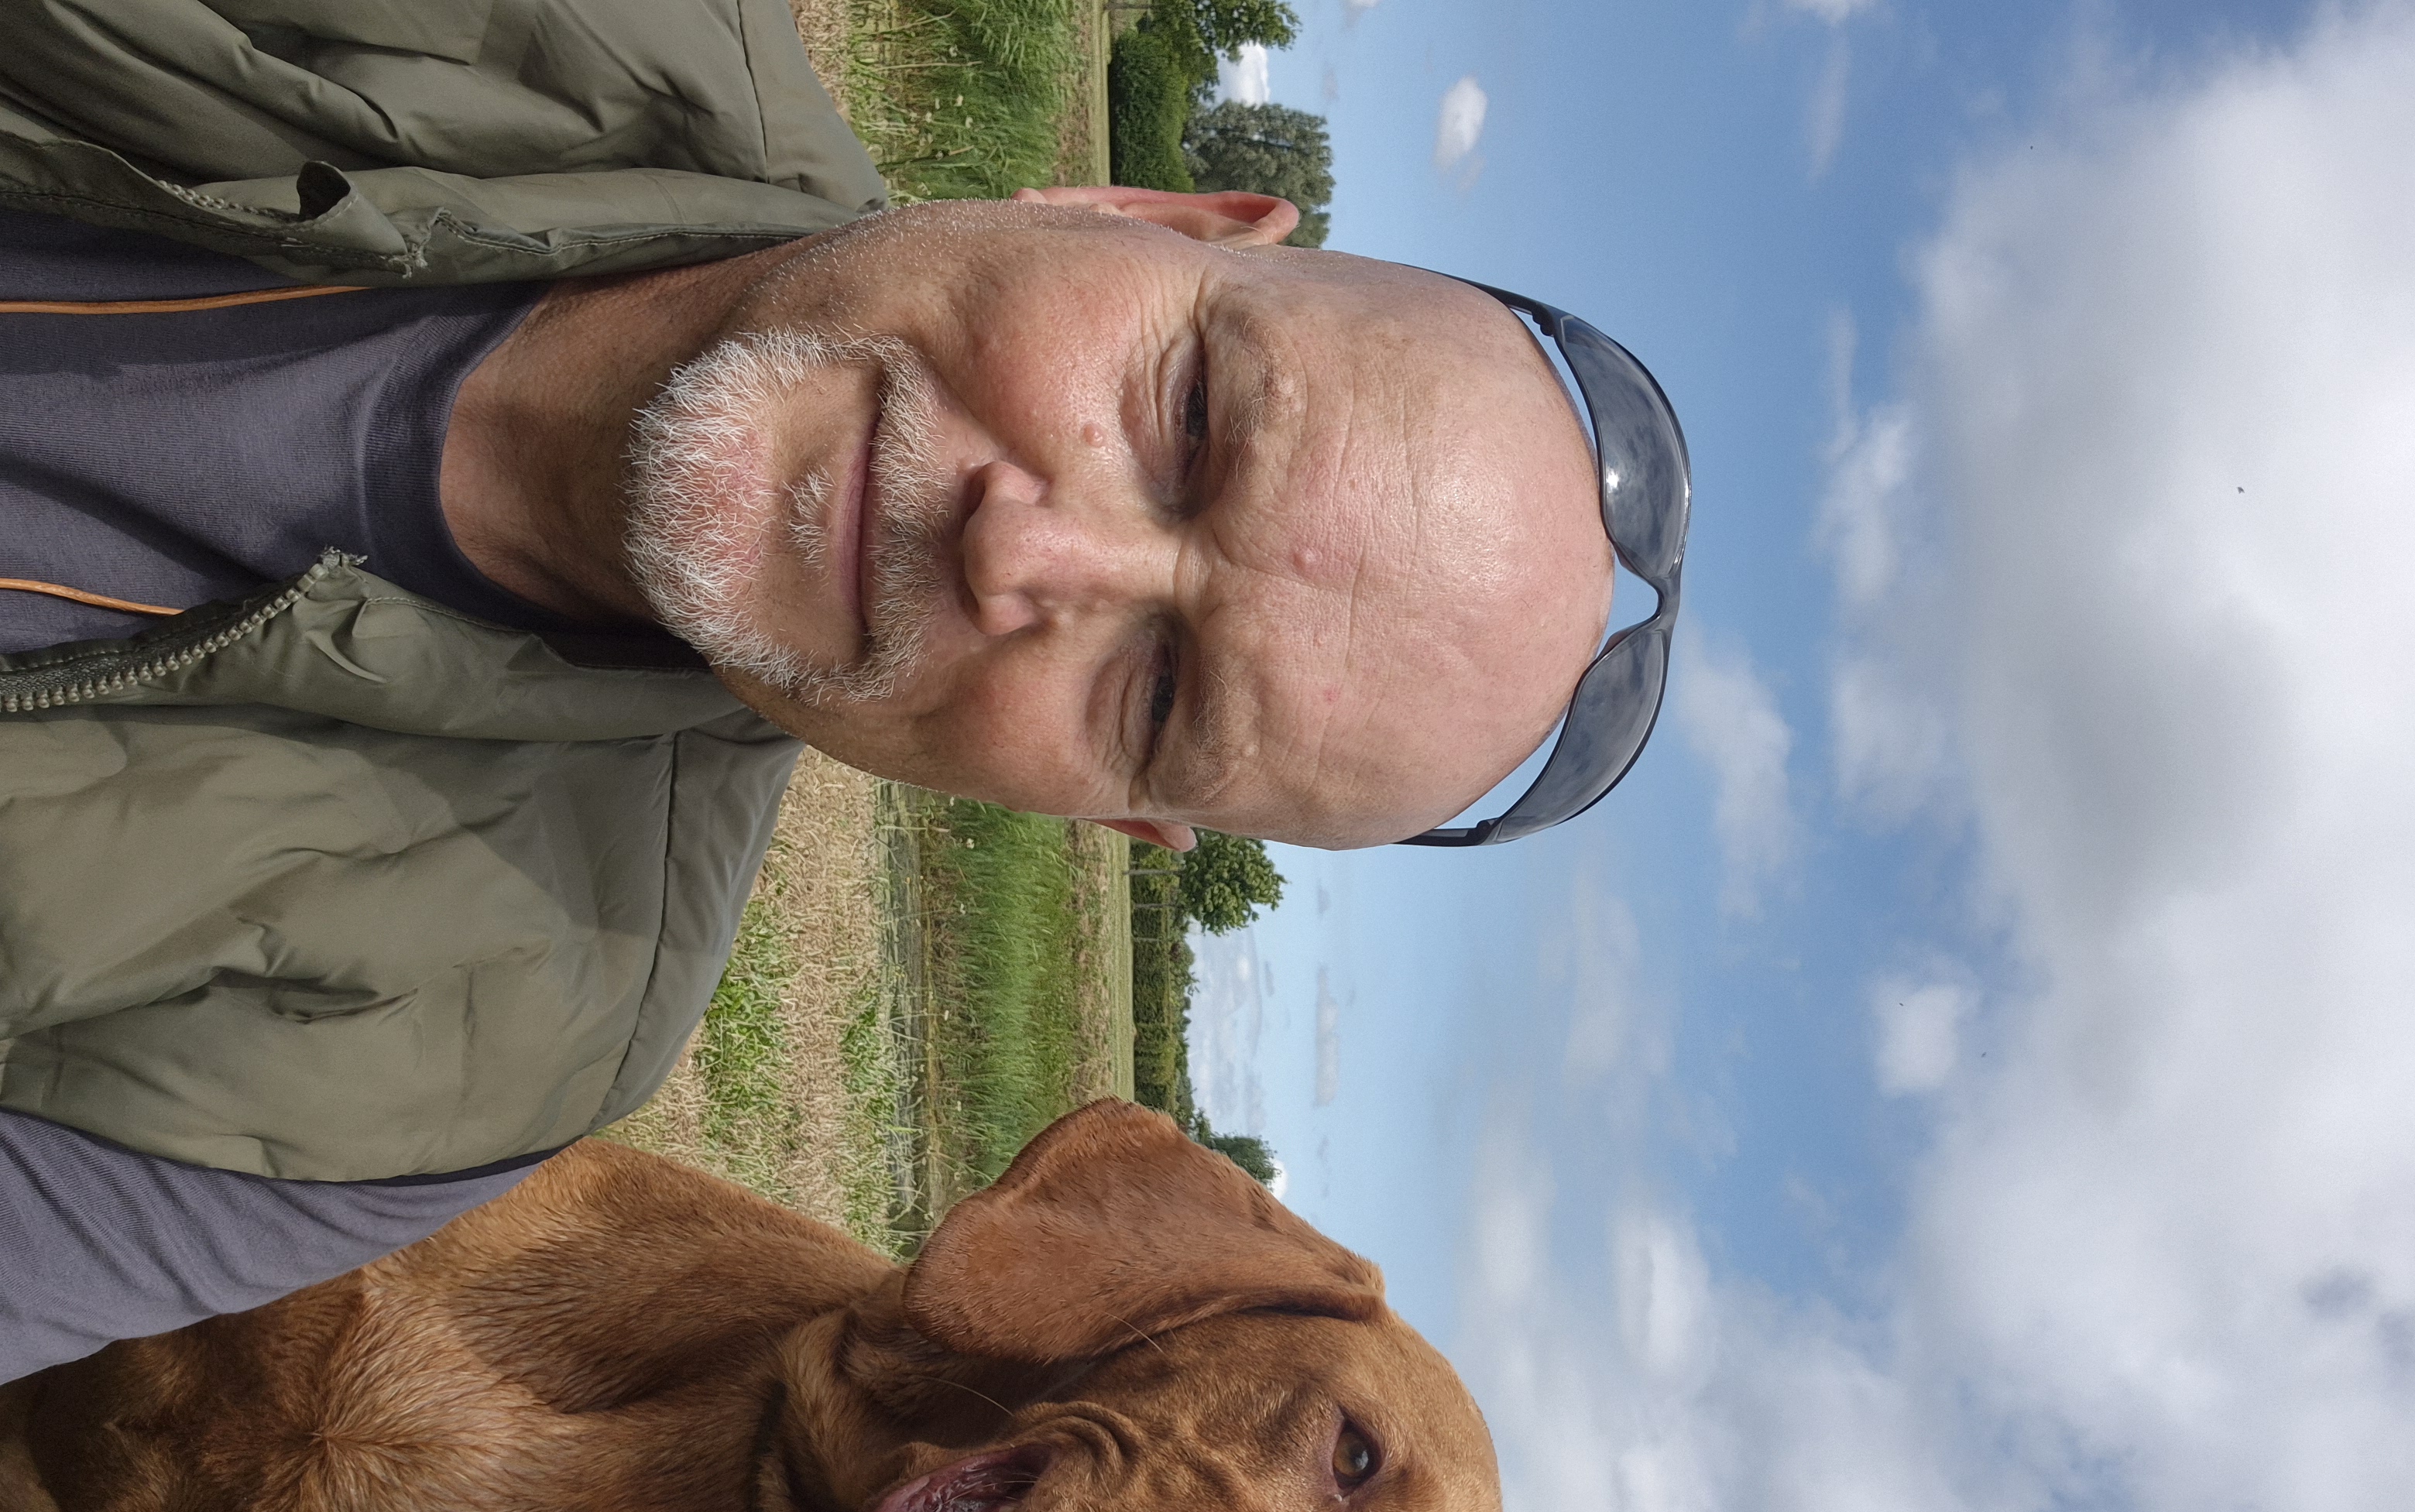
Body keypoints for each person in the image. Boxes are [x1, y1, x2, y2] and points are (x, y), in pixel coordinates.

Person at [0, 0, 1686, 1380]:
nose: (1029, 553)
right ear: (1133, 214)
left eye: (1159, 692)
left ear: (1103, 811)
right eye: (1186, 420)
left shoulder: (473, 1046)